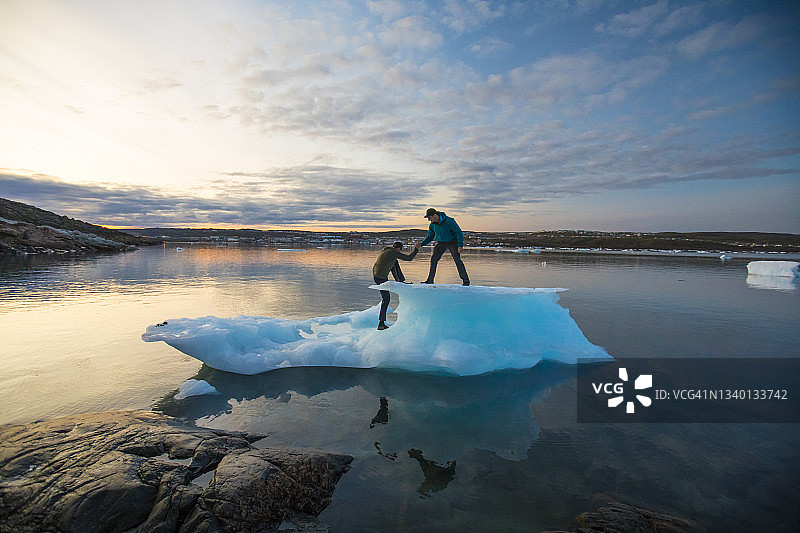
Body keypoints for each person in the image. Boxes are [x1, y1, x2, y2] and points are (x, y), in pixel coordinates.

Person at [373, 241, 419, 330]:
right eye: (400, 251)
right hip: (381, 278)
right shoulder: (393, 252)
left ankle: (401, 281)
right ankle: (381, 323)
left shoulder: (387, 252)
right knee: (386, 299)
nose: (400, 252)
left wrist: (399, 281)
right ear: (399, 248)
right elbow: (409, 258)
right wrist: (416, 249)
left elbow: (393, 268)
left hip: (377, 276)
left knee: (395, 262)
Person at [419, 208, 470, 286]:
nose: (428, 220)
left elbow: (458, 232)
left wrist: (460, 245)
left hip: (453, 242)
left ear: (435, 215)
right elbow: (430, 237)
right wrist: (421, 244)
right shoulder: (432, 225)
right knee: (434, 259)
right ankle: (430, 280)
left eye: (429, 217)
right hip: (441, 243)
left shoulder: (449, 221)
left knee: (457, 260)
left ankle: (466, 281)